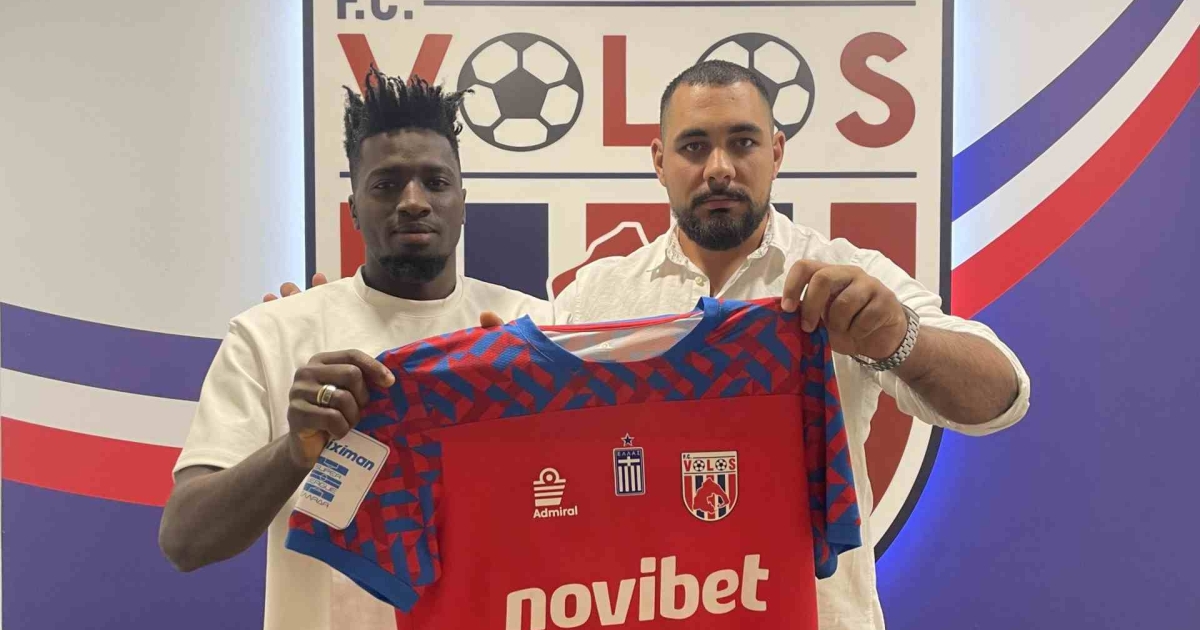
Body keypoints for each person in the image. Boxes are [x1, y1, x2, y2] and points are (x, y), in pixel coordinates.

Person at [269, 61, 1030, 629]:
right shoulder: (592, 298)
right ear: (660, 160)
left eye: (742, 142)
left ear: (777, 152)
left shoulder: (842, 278)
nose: (720, 168)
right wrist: (492, 396)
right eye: (695, 146)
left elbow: (1003, 397)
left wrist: (896, 337)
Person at [158, 68, 550, 630]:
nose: (413, 201)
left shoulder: (534, 331)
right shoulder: (270, 335)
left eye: (435, 182)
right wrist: (294, 450)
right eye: (386, 184)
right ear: (353, 208)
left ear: (462, 202)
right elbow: (185, 540)